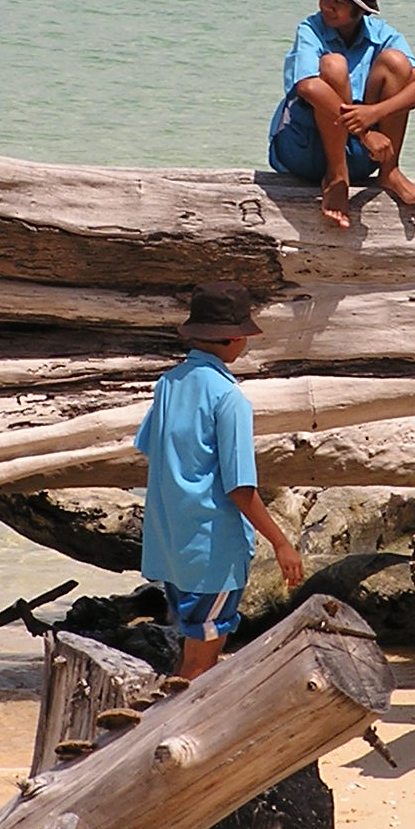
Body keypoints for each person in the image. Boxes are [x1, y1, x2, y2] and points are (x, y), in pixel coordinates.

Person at [134, 281, 305, 682]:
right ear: (235, 339)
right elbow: (240, 488)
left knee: (191, 654)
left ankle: (160, 728)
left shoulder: (168, 384)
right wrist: (281, 543)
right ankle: (169, 738)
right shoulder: (230, 398)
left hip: (172, 548)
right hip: (214, 554)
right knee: (199, 664)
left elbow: (151, 448)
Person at [267, 0, 415, 230]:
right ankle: (336, 176)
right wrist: (364, 133)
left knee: (396, 63)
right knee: (333, 66)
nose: (327, 7)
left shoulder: (383, 35)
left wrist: (373, 113)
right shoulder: (310, 28)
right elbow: (308, 86)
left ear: (360, 10)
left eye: (338, 3)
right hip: (304, 147)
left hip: (363, 154)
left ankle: (389, 171)